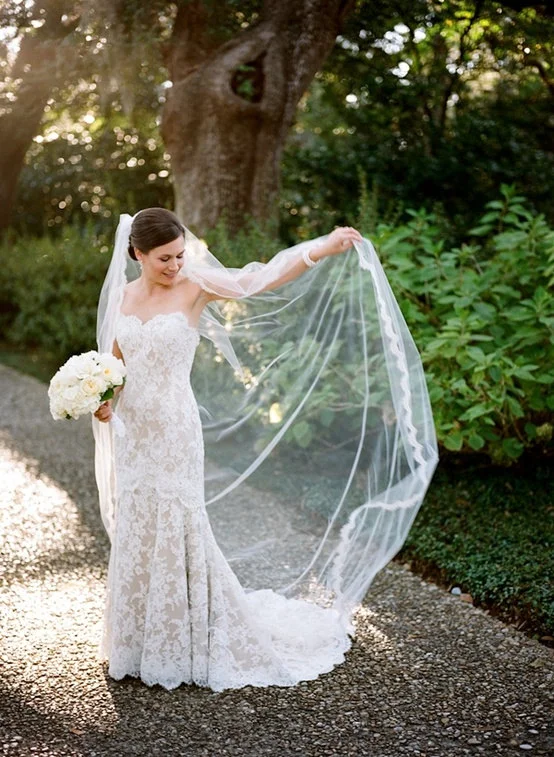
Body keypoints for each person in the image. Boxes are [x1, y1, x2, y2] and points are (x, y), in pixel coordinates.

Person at [92, 207, 438, 691]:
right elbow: (114, 366)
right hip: (136, 432)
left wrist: (320, 246)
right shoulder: (124, 298)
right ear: (137, 254)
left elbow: (262, 279)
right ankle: (139, 640)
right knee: (140, 522)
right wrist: (103, 403)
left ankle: (187, 638)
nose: (175, 265)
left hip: (175, 431)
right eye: (165, 258)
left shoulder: (196, 286)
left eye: (180, 255)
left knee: (178, 518)